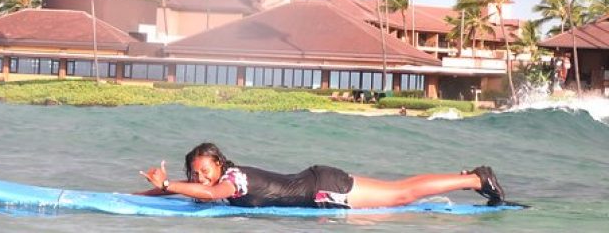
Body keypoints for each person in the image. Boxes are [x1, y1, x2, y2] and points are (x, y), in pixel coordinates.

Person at [139, 142, 505, 209]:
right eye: (195, 175)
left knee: (401, 194)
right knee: (399, 193)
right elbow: (195, 192)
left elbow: (212, 193)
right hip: (319, 181)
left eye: (205, 171)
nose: (200, 179)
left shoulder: (234, 180)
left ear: (219, 164)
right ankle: (468, 178)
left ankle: (475, 179)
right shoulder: (220, 179)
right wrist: (143, 195)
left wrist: (170, 184)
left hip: (323, 189)